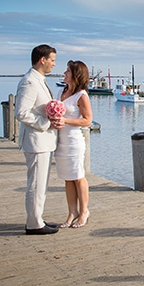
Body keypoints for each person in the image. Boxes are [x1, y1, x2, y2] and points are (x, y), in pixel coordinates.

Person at [15, 44, 61, 235]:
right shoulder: (30, 82)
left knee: (41, 183)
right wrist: (46, 123)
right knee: (36, 183)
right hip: (36, 141)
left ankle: (37, 217)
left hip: (43, 141)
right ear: (42, 60)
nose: (54, 64)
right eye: (52, 60)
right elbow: (21, 113)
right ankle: (34, 224)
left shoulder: (38, 80)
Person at [53, 60, 93, 228]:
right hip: (60, 141)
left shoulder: (81, 96)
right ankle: (72, 212)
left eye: (67, 71)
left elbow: (88, 120)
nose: (64, 73)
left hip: (74, 141)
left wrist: (66, 120)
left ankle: (84, 211)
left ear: (76, 74)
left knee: (78, 176)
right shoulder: (61, 91)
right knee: (67, 178)